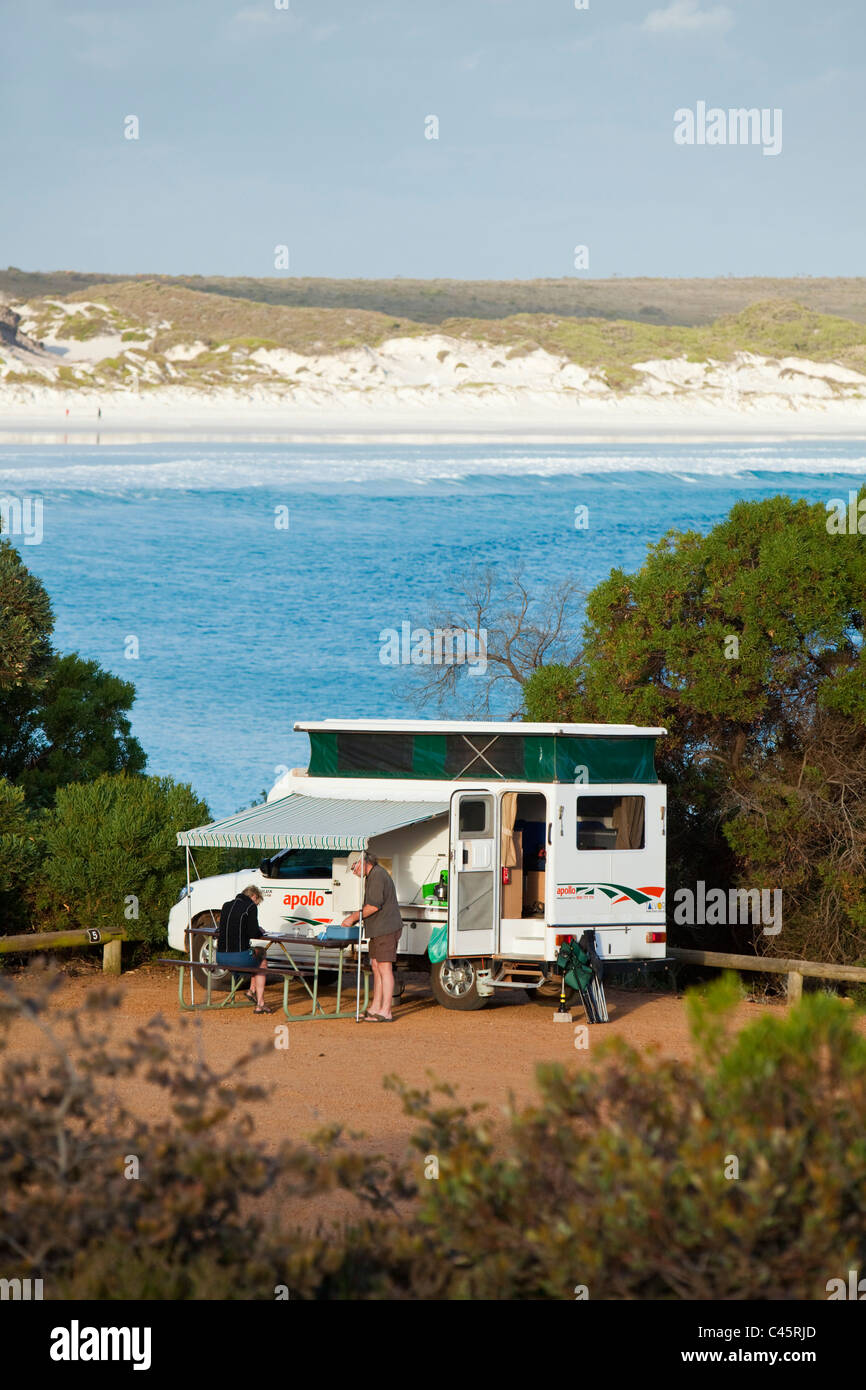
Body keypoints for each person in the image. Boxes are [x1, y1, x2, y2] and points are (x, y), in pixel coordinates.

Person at [342, 853, 402, 1021]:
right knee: (376, 966)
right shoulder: (372, 875)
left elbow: (373, 906)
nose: (353, 872)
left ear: (361, 862)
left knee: (384, 968)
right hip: (378, 929)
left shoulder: (377, 875)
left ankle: (386, 1011)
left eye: (353, 868)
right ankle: (376, 1006)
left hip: (386, 928)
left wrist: (352, 918)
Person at [216, 885, 272, 1013]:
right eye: (257, 903)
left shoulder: (226, 905)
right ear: (254, 896)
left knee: (254, 956)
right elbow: (253, 933)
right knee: (261, 956)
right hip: (239, 957)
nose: (256, 905)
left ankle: (252, 990)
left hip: (220, 957)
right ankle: (260, 1004)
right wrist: (260, 930)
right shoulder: (250, 907)